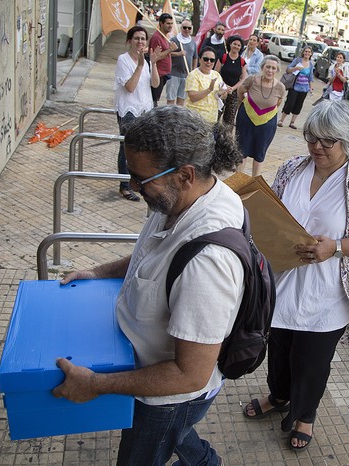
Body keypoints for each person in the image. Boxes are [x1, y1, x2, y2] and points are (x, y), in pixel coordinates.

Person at [52, 105, 247, 465]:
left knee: (155, 442)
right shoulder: (181, 200)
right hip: (150, 381)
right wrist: (99, 272)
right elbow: (153, 257)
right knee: (179, 436)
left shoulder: (210, 264)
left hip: (164, 399)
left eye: (142, 179)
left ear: (185, 175)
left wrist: (96, 385)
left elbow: (190, 374)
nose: (132, 186)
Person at [242, 100, 349, 451]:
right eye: (311, 137)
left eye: (327, 141)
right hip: (283, 284)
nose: (317, 147)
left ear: (347, 139)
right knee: (279, 353)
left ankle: (305, 416)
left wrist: (337, 247)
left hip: (328, 294)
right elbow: (271, 215)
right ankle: (279, 395)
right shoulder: (291, 169)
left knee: (312, 361)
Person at [114, 26, 164, 202]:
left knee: (143, 148)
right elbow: (130, 87)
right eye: (136, 38)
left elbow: (155, 84)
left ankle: (138, 181)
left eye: (143, 39)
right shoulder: (123, 60)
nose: (140, 42)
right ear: (129, 41)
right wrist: (140, 65)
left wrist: (154, 63)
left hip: (145, 109)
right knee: (127, 148)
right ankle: (124, 186)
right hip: (128, 110)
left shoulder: (147, 61)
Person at [236, 55, 285, 177]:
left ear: (277, 70)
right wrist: (244, 107)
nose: (270, 70)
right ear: (262, 67)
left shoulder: (280, 87)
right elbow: (240, 92)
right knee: (241, 151)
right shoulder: (252, 80)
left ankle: (255, 183)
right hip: (246, 120)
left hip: (267, 124)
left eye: (273, 68)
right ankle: (237, 180)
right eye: (268, 67)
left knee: (260, 153)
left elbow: (278, 103)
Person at [185, 47, 228, 123]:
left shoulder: (216, 75)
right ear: (200, 60)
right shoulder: (193, 75)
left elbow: (224, 96)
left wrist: (221, 93)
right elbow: (193, 97)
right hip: (195, 120)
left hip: (211, 119)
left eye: (212, 60)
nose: (209, 62)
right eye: (206, 59)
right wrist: (209, 90)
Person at [278, 46, 315, 129]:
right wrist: (295, 68)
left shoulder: (311, 64)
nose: (307, 53)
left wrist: (311, 88)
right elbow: (288, 70)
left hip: (304, 88)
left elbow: (311, 77)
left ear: (311, 54)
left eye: (309, 52)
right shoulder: (297, 60)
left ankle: (292, 122)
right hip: (294, 86)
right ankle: (281, 120)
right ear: (303, 52)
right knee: (289, 103)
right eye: (306, 51)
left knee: (299, 104)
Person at [216, 35, 247, 125]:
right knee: (217, 115)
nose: (236, 46)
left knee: (229, 119)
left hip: (234, 93)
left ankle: (226, 137)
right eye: (234, 44)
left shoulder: (242, 62)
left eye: (238, 45)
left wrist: (232, 88)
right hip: (221, 90)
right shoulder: (223, 58)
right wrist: (224, 86)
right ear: (230, 44)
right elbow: (216, 74)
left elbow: (242, 79)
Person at [148, 13, 179, 106]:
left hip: (163, 74)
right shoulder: (157, 37)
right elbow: (155, 57)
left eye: (171, 24)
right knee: (153, 99)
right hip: (158, 74)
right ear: (161, 23)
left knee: (155, 98)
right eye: (168, 23)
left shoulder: (165, 36)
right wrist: (170, 49)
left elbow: (166, 53)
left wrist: (174, 52)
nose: (170, 26)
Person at [167, 18, 198, 106]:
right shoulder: (174, 40)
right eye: (185, 27)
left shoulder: (192, 42)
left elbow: (195, 57)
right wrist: (178, 54)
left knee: (181, 101)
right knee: (170, 101)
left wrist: (193, 71)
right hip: (173, 74)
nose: (187, 30)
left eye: (189, 28)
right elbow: (167, 53)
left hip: (186, 76)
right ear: (181, 28)